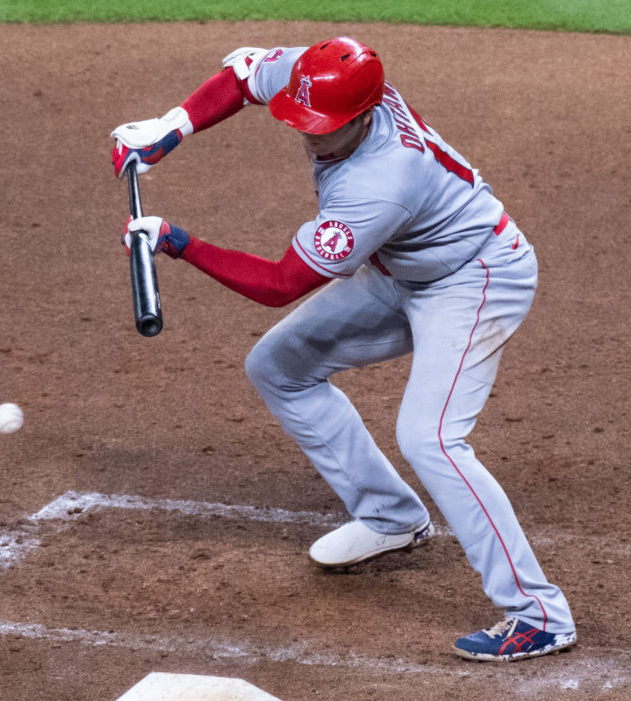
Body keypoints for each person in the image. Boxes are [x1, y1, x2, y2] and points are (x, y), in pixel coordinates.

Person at [110, 37, 576, 662]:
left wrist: (177, 240)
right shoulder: (323, 78)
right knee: (280, 367)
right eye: (302, 121)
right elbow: (247, 75)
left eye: (323, 129)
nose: (309, 135)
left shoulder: (380, 182)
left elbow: (279, 285)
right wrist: (171, 127)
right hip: (400, 271)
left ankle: (539, 614)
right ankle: (389, 517)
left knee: (430, 437)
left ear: (364, 114)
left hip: (475, 278)